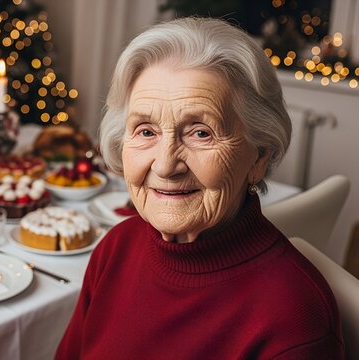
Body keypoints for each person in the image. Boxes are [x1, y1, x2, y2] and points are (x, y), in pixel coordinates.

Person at [56, 17, 344, 359]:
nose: (165, 166)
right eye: (146, 131)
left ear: (259, 157)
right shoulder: (117, 248)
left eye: (200, 133)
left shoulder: (293, 319)